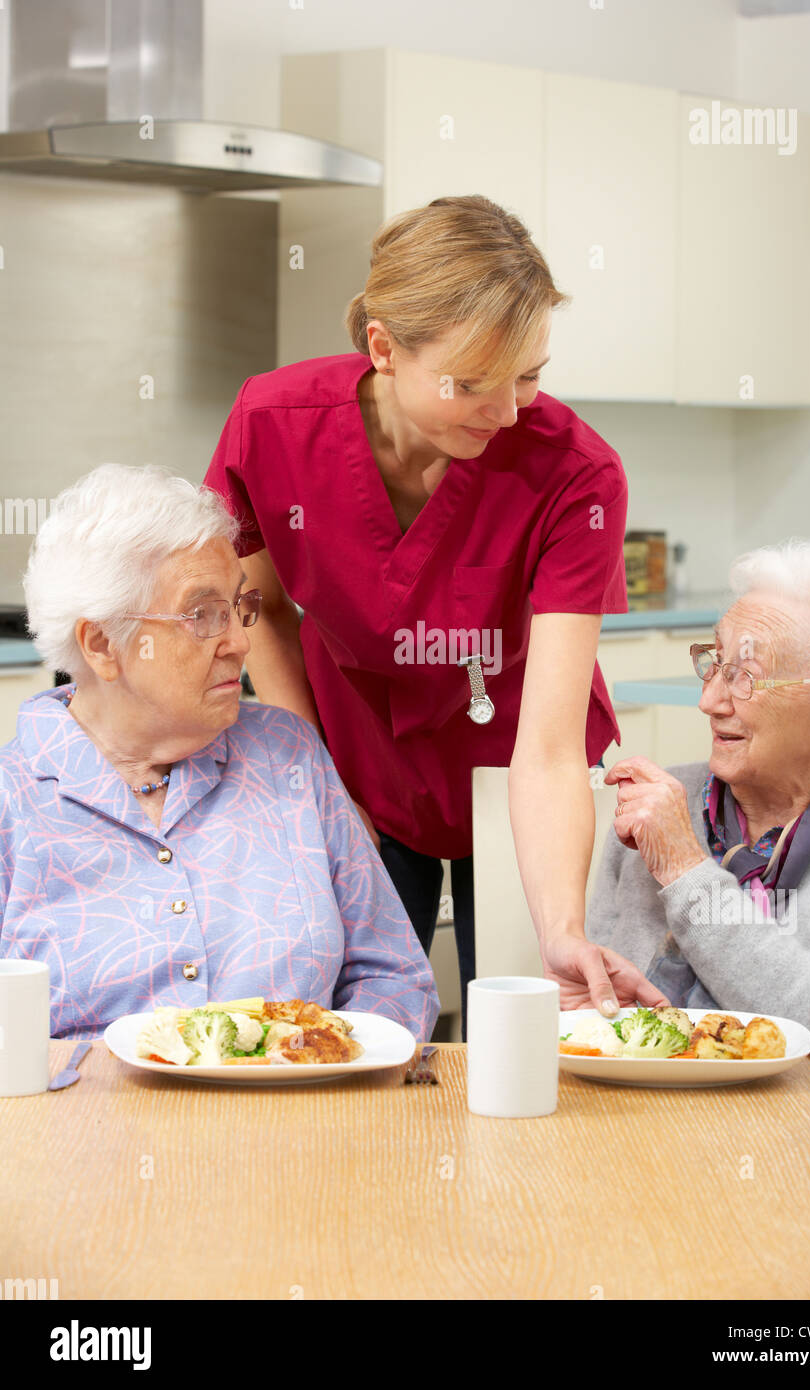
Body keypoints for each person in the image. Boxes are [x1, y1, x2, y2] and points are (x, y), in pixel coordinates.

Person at [203, 193, 667, 1035]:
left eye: (529, 376)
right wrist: (315, 774)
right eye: (473, 383)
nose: (508, 411)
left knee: (532, 1030)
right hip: (358, 758)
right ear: (383, 348)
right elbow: (258, 608)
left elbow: (550, 750)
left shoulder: (575, 473)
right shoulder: (273, 423)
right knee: (354, 1037)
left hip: (517, 763)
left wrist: (561, 928)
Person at [0, 463, 439, 1042]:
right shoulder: (15, 801)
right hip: (86, 1127)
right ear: (103, 644)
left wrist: (330, 1063)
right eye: (202, 615)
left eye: (237, 607)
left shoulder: (288, 754)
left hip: (296, 1122)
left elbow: (396, 975)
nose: (239, 641)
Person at [586, 539, 810, 1042]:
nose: (709, 699)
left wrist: (685, 871)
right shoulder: (663, 804)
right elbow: (597, 1012)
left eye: (746, 677)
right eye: (713, 661)